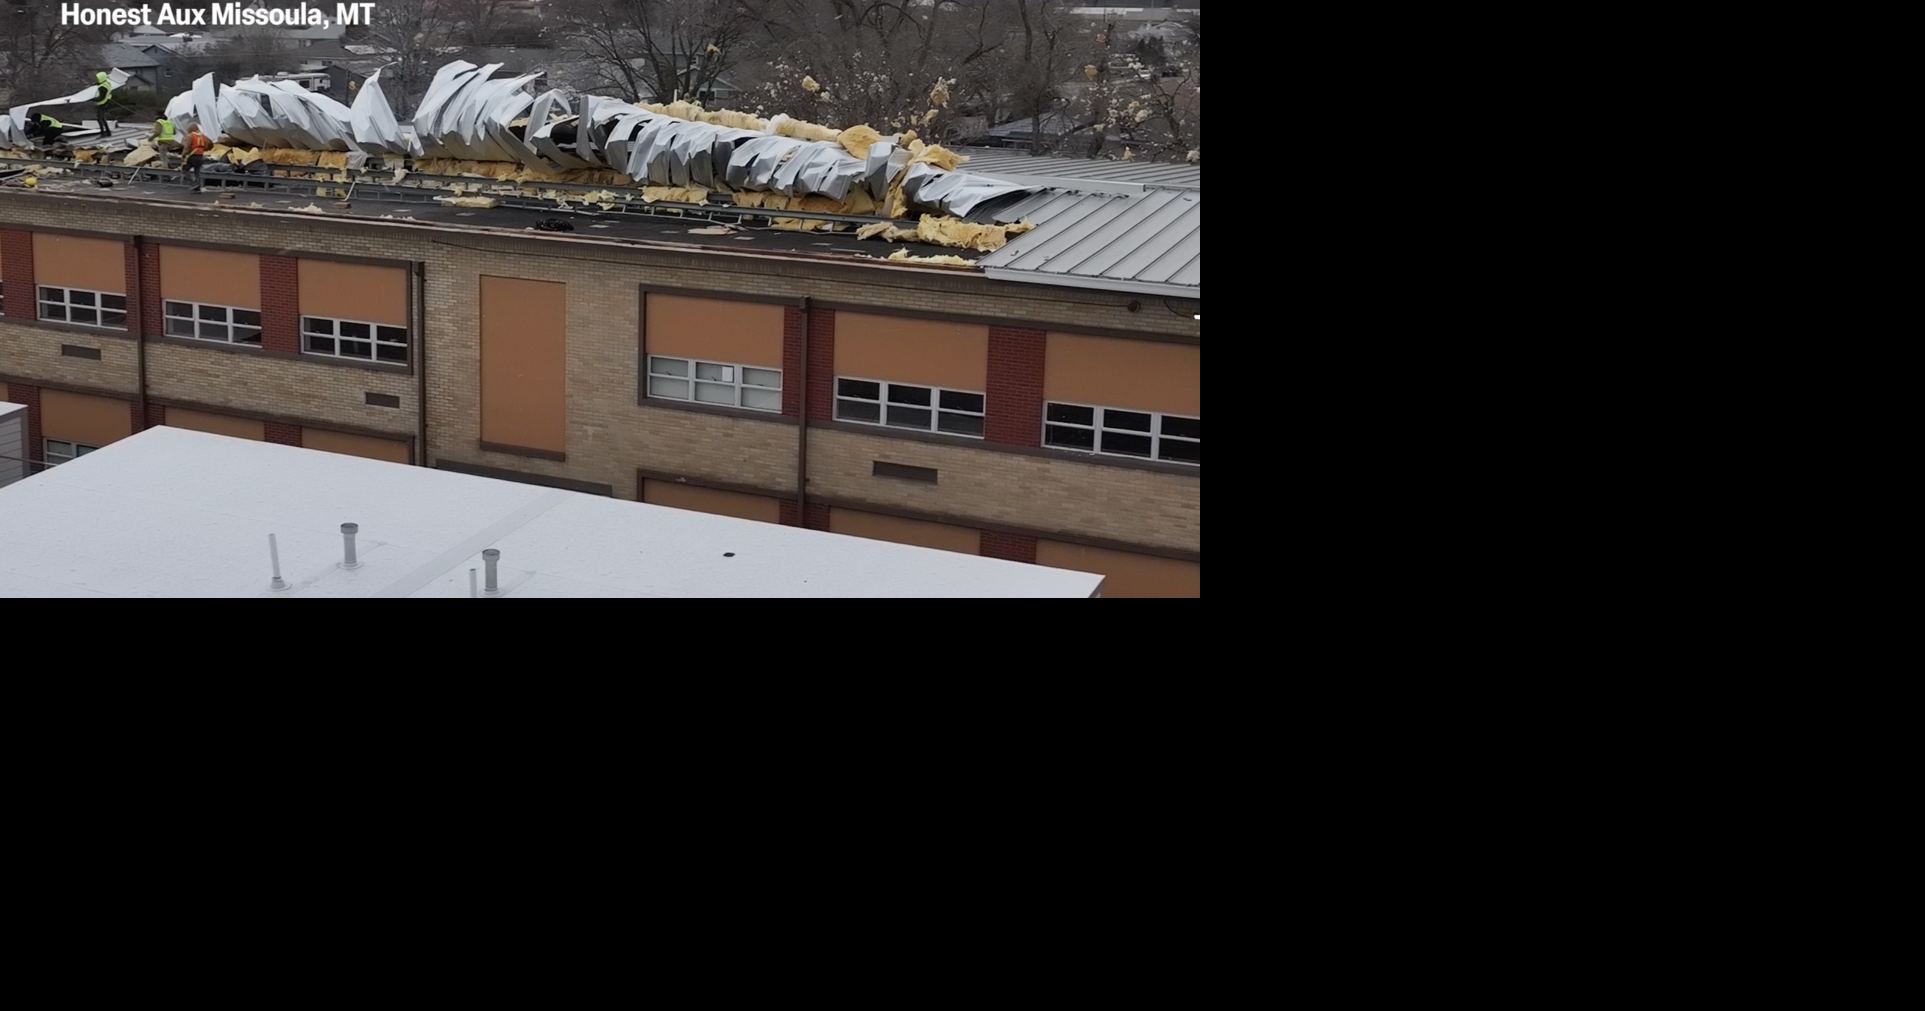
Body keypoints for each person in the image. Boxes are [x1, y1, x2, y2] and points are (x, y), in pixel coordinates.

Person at [184, 124, 213, 192]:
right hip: (200, 156)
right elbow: (210, 144)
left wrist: (183, 155)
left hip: (192, 155)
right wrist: (203, 150)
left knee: (185, 169)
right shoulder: (202, 136)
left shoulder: (190, 136)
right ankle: (198, 186)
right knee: (197, 171)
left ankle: (193, 182)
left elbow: (187, 147)